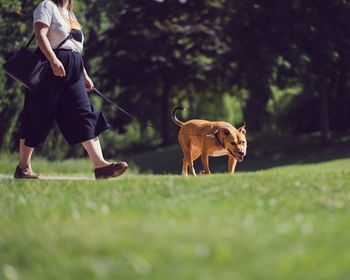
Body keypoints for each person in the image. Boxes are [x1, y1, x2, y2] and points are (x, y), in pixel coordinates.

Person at [14, 0, 128, 179]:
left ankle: (100, 165)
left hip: (74, 70)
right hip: (49, 69)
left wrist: (84, 75)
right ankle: (23, 167)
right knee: (38, 114)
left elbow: (74, 48)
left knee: (84, 112)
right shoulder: (47, 6)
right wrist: (52, 60)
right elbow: (40, 35)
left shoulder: (70, 13)